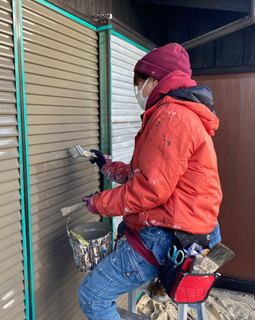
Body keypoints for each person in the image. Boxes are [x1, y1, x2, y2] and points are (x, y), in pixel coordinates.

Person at [79, 43, 222, 320]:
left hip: (167, 238)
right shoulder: (185, 114)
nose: (138, 89)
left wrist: (99, 203)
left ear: (155, 80)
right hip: (194, 229)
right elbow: (149, 174)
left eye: (139, 82)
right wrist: (108, 166)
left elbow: (149, 190)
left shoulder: (171, 117)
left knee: (93, 296)